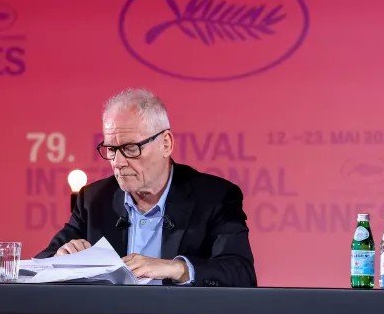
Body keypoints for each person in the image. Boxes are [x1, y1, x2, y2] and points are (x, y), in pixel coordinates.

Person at [37, 88, 256, 287]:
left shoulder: (214, 198)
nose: (118, 162)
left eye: (131, 148)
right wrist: (59, 260)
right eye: (111, 149)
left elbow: (241, 273)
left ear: (166, 143)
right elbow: (38, 265)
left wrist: (176, 268)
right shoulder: (94, 200)